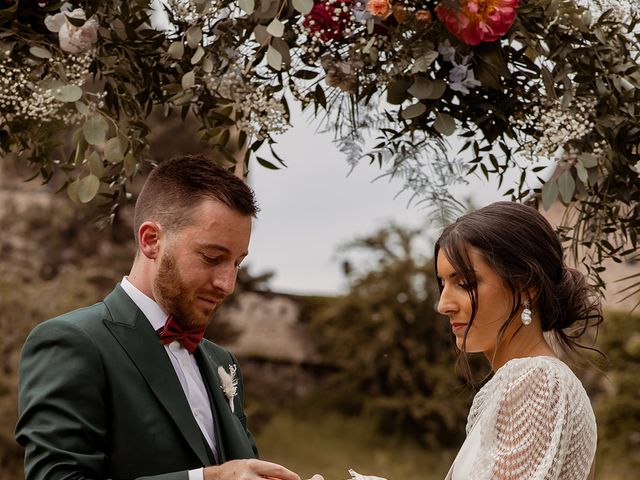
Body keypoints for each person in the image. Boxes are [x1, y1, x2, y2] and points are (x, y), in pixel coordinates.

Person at [15, 154, 302, 480]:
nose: (227, 284)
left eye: (236, 263)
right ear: (151, 240)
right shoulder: (72, 342)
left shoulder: (223, 362)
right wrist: (206, 479)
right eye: (212, 257)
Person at [435, 201, 601, 480]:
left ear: (525, 287)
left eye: (464, 283)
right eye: (442, 285)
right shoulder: (526, 383)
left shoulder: (538, 381)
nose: (443, 305)